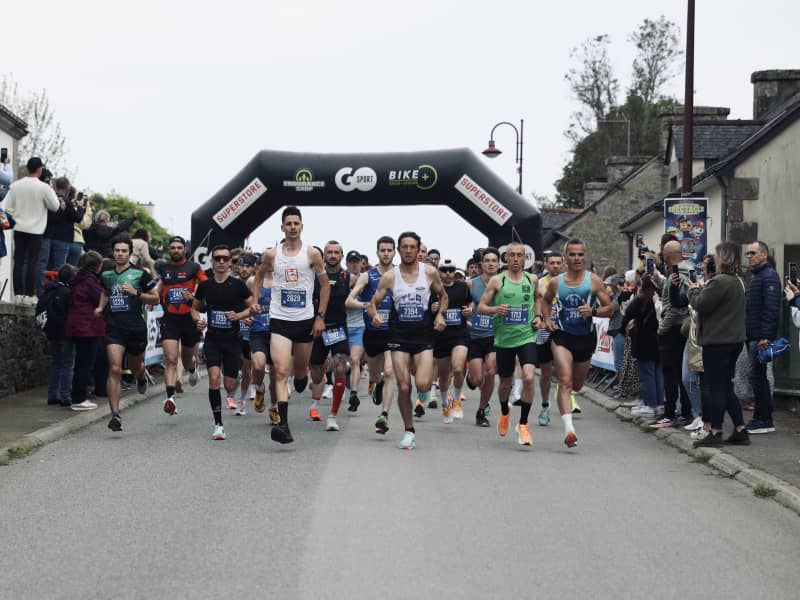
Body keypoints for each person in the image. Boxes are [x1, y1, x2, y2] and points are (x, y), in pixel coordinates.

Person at [367, 231, 447, 450]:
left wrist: (440, 314)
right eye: (405, 247)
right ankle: (409, 431)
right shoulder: (390, 276)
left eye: (413, 247)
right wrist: (374, 315)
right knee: (403, 386)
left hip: (423, 335)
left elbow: (444, 296)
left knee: (421, 384)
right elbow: (373, 302)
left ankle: (423, 391)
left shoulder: (429, 272)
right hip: (398, 335)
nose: (409, 250)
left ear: (418, 248)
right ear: (398, 250)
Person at [258, 206, 329, 444]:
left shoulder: (312, 254)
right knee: (280, 370)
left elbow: (326, 286)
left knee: (299, 372)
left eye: (296, 223)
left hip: (304, 320)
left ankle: (302, 378)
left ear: (301, 226)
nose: (292, 227)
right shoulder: (271, 254)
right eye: (288, 223)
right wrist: (255, 300)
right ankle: (284, 425)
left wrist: (320, 316)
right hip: (279, 318)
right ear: (282, 227)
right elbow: (258, 276)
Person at [541, 238, 613, 448]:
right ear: (565, 258)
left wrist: (593, 312)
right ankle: (569, 430)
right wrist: (547, 319)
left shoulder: (594, 281)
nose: (577, 258)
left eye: (580, 254)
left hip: (585, 338)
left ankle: (566, 390)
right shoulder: (556, 282)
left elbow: (610, 309)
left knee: (577, 385)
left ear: (585, 256)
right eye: (572, 254)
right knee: (565, 379)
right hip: (562, 335)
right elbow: (545, 301)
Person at [688, 242, 749, 447]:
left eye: (716, 254)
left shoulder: (719, 282)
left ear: (723, 257)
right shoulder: (738, 281)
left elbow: (701, 305)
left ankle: (715, 431)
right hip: (735, 341)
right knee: (726, 386)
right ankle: (740, 429)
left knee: (715, 387)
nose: (714, 258)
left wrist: (693, 291)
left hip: (718, 341)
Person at [96, 234, 159, 432]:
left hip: (135, 328)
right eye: (117, 250)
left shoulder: (141, 274)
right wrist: (100, 307)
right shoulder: (106, 274)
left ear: (130, 253)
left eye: (124, 251)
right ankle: (115, 414)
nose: (120, 254)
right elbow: (105, 291)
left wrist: (137, 293)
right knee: (114, 368)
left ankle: (140, 377)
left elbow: (155, 299)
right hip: (114, 327)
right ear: (113, 252)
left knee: (135, 365)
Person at [478, 243, 538, 446]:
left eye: (519, 255)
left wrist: (538, 317)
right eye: (511, 255)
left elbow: (537, 300)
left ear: (524, 259)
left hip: (527, 337)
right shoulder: (498, 280)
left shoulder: (532, 279)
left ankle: (523, 425)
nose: (515, 259)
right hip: (504, 339)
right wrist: (495, 309)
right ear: (506, 258)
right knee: (505, 383)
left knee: (529, 378)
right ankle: (505, 411)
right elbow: (481, 307)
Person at [193, 245, 253, 440]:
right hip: (213, 339)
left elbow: (253, 308)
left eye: (225, 259)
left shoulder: (238, 286)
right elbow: (194, 308)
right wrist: (198, 321)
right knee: (213, 378)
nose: (221, 262)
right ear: (212, 261)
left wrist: (239, 315)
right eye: (217, 258)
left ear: (230, 263)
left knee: (229, 384)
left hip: (233, 340)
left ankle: (233, 386)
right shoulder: (205, 286)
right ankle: (218, 424)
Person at [346, 235, 397, 435]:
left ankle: (384, 415)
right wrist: (368, 306)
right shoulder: (368, 276)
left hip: (393, 332)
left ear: (394, 252)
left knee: (390, 371)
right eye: (382, 250)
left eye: (389, 250)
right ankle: (377, 383)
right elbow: (349, 301)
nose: (386, 253)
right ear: (377, 252)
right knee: (376, 375)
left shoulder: (400, 274)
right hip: (372, 333)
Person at [155, 236, 206, 415]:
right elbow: (160, 286)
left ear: (184, 250)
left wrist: (194, 298)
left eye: (179, 247)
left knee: (185, 359)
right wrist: (154, 297)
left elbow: (205, 286)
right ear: (169, 250)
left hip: (188, 319)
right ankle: (170, 398)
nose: (176, 250)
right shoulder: (163, 267)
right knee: (170, 359)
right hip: (170, 319)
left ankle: (192, 369)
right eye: (173, 248)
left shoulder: (194, 267)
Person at [308, 241, 355, 431]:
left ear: (342, 256)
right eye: (329, 252)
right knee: (317, 375)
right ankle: (316, 398)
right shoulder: (314, 277)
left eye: (336, 252)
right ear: (323, 256)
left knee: (341, 369)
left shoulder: (349, 278)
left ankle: (333, 416)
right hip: (318, 328)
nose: (333, 255)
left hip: (338, 329)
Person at [2, 157, 60, 302]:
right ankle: (29, 294)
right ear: (40, 169)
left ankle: (18, 293)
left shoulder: (16, 185)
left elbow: (8, 207)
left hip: (19, 227)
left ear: (27, 168)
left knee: (19, 261)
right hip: (36, 230)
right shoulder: (44, 187)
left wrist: (16, 217)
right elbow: (55, 206)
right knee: (33, 262)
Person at [743, 241, 781, 434]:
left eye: (753, 253)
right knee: (756, 377)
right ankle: (762, 418)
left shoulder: (769, 276)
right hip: (752, 335)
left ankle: (764, 419)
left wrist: (765, 336)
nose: (749, 256)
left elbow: (771, 309)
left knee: (758, 377)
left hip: (760, 337)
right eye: (747, 254)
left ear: (764, 254)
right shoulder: (756, 276)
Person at [65, 250, 105, 411]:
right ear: (97, 266)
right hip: (88, 327)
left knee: (80, 363)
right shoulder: (90, 282)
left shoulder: (77, 279)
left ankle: (77, 396)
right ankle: (79, 398)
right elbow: (100, 300)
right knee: (85, 364)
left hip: (76, 325)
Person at [434, 258, 472, 423]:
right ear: (439, 271)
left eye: (451, 270)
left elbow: (471, 301)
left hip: (460, 334)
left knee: (458, 368)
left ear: (455, 271)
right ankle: (444, 404)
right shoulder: (433, 289)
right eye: (444, 270)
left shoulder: (463, 287)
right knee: (443, 375)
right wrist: (432, 309)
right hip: (441, 336)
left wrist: (469, 309)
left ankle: (456, 401)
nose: (448, 273)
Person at [466, 248, 500, 427]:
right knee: (478, 379)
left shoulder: (504, 283)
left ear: (499, 264)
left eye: (494, 260)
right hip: (474, 335)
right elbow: (463, 304)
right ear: (482, 264)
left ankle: (482, 410)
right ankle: (471, 378)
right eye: (487, 260)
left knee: (491, 371)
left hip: (494, 335)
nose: (491, 263)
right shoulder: (472, 283)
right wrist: (465, 317)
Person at [621, 277, 662, 418]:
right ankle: (658, 403)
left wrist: (623, 329)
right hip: (658, 341)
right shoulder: (657, 300)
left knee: (646, 376)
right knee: (657, 374)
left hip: (644, 341)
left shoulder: (640, 300)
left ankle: (650, 405)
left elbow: (627, 316)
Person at [38, 178, 84, 295]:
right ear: (67, 188)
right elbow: (77, 218)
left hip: (49, 236)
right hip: (63, 238)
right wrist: (81, 208)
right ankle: (55, 292)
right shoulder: (66, 202)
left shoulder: (51, 199)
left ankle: (43, 290)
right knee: (59, 267)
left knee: (47, 266)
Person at [41, 264, 77, 407]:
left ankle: (52, 395)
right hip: (66, 333)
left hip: (52, 332)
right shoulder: (68, 292)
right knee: (68, 364)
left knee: (56, 363)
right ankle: (65, 396)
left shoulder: (49, 290)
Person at [535, 251, 564, 425]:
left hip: (562, 330)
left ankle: (566, 393)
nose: (554, 265)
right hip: (544, 330)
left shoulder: (568, 282)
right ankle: (545, 405)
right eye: (551, 263)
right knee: (546, 373)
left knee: (563, 370)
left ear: (562, 265)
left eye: (557, 263)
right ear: (546, 265)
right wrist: (539, 318)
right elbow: (535, 303)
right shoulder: (539, 283)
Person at [249, 257, 279, 425]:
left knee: (275, 377)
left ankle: (274, 408)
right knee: (259, 365)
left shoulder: (281, 281)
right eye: (266, 261)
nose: (270, 264)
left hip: (277, 332)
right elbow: (245, 301)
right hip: (258, 331)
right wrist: (246, 315)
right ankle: (259, 388)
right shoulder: (253, 281)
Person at [345, 250, 367, 410]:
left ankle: (353, 393)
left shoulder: (366, 281)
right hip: (341, 326)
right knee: (338, 364)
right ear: (347, 264)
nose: (354, 264)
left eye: (356, 261)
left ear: (361, 263)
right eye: (351, 261)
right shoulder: (341, 279)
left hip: (359, 326)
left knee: (355, 360)